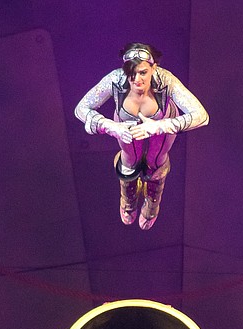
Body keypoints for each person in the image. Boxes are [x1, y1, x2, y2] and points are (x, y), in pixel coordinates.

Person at [74, 43, 209, 230]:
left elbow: (201, 115)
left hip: (161, 121)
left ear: (153, 68)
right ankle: (128, 196)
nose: (136, 79)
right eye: (131, 73)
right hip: (125, 123)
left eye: (143, 72)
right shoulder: (116, 79)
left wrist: (160, 126)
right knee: (130, 159)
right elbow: (81, 108)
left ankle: (154, 197)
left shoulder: (166, 80)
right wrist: (110, 126)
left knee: (156, 158)